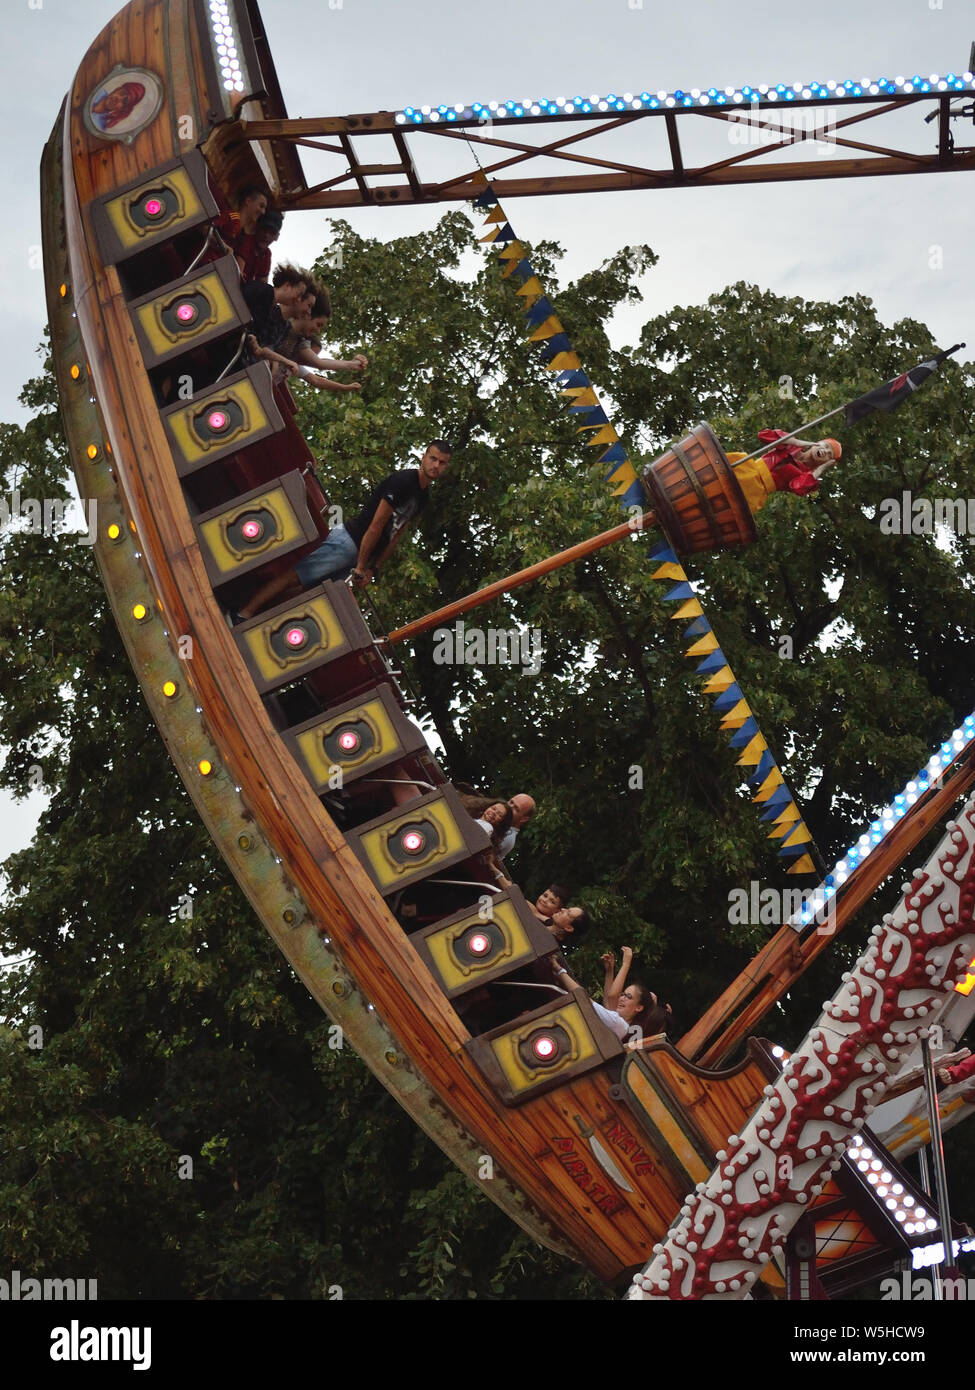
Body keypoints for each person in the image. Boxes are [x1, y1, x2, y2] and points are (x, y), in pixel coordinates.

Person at [234, 441, 451, 622]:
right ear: (423, 457)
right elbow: (375, 525)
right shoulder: (403, 481)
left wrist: (373, 568)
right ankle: (244, 613)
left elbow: (396, 534)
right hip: (351, 540)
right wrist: (360, 565)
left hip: (362, 557)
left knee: (308, 593)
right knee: (296, 576)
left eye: (442, 463)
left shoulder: (424, 497)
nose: (436, 465)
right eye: (433, 458)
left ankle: (255, 618)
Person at [728, 430, 842, 515]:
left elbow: (798, 488)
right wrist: (796, 442)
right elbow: (763, 435)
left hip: (755, 491)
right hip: (746, 469)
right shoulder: (792, 445)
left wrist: (821, 469)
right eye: (826, 446)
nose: (825, 451)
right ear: (819, 442)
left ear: (828, 462)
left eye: (829, 454)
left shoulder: (808, 477)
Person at [496, 794, 536, 860]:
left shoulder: (507, 837)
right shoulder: (498, 820)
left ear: (523, 819)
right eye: (511, 802)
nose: (509, 806)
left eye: (516, 808)